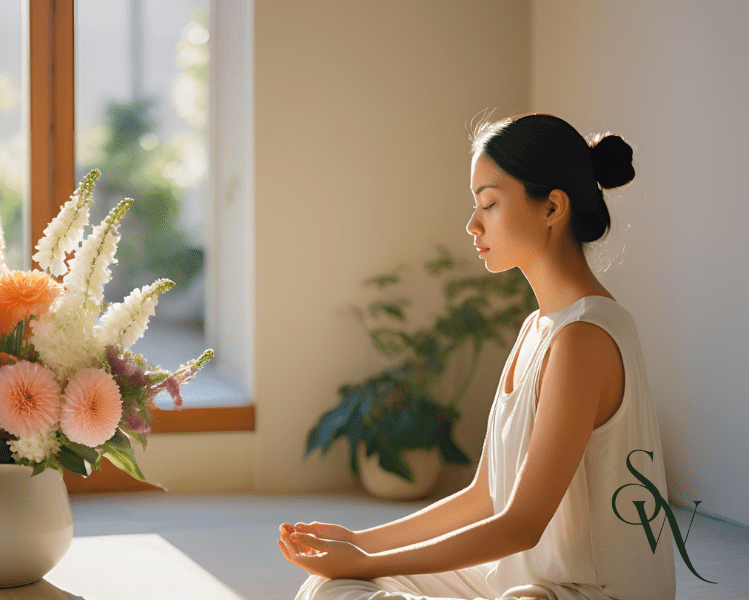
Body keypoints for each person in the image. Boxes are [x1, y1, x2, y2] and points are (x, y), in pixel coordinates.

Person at [278, 112, 676, 600]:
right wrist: (358, 545)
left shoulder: (583, 338)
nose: (472, 225)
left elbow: (521, 526)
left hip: (585, 592)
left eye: (488, 204)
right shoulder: (538, 327)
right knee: (330, 587)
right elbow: (485, 497)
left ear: (552, 208)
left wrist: (371, 559)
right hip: (527, 581)